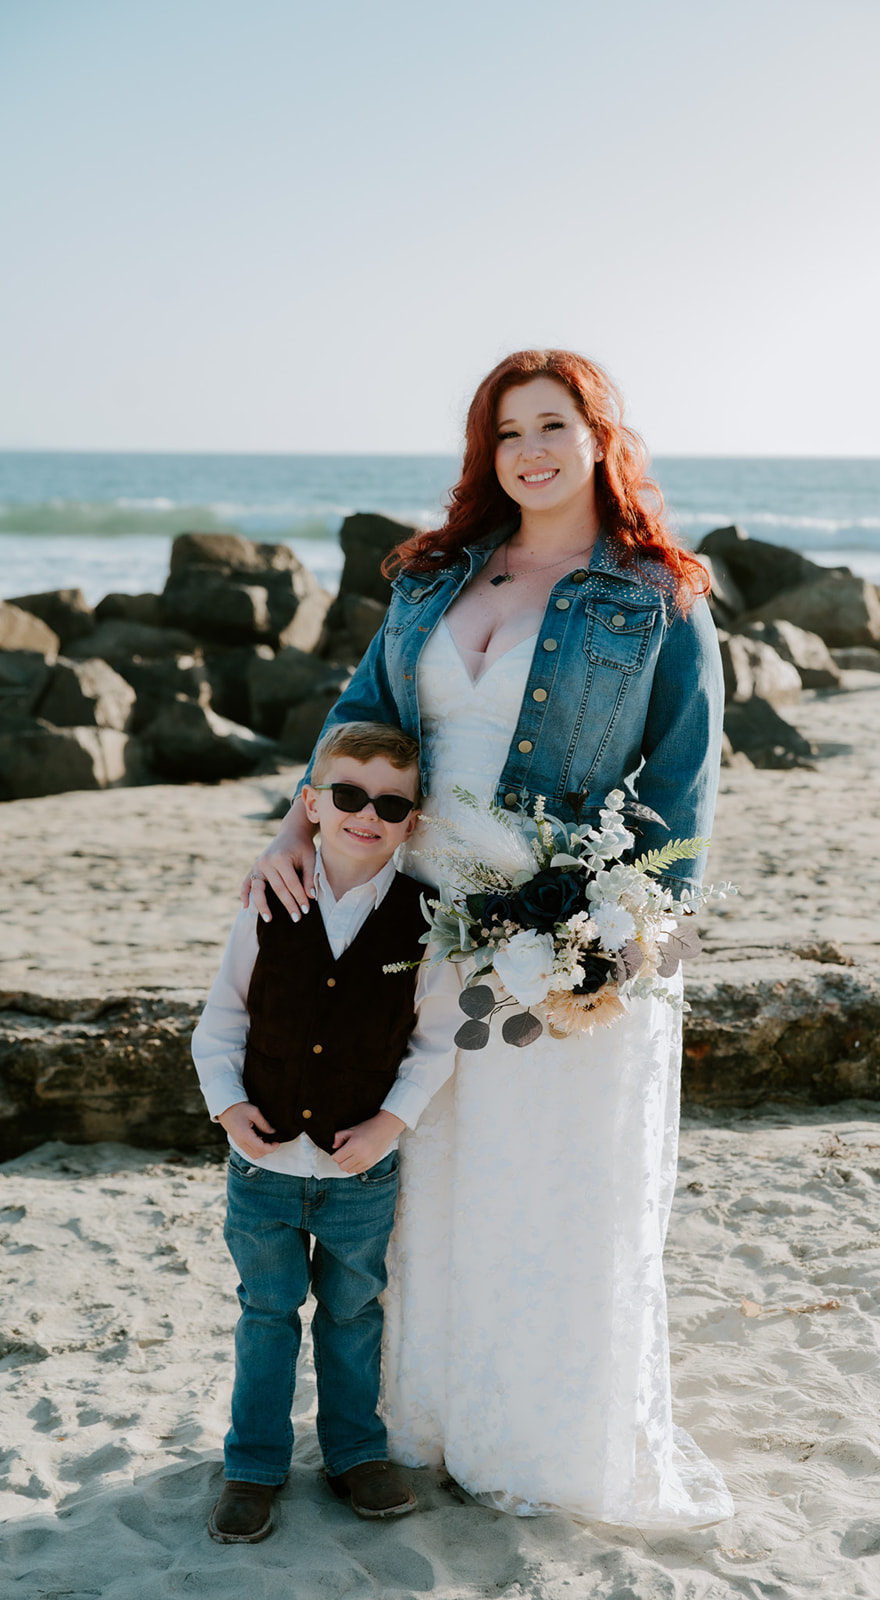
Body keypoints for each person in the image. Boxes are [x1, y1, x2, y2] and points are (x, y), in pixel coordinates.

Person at [244, 349, 734, 1529]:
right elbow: (357, 719)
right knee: (424, 1189)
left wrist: (620, 938)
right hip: (409, 921)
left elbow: (682, 797)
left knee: (546, 1193)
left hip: (557, 939)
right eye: (507, 430)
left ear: (601, 437)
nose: (531, 449)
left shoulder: (659, 599)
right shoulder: (430, 580)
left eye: (554, 423)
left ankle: (540, 1442)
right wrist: (292, 827)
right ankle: (419, 1426)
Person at [192, 721, 458, 1543]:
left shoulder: (426, 920)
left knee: (353, 1314)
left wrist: (389, 1123)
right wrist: (230, 1110)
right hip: (263, 1165)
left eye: (388, 802)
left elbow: (434, 1042)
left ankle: (353, 1453)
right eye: (346, 795)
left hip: (360, 1174)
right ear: (311, 804)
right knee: (266, 1312)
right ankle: (254, 1464)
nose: (365, 814)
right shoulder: (268, 902)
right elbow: (220, 1024)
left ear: (412, 819)